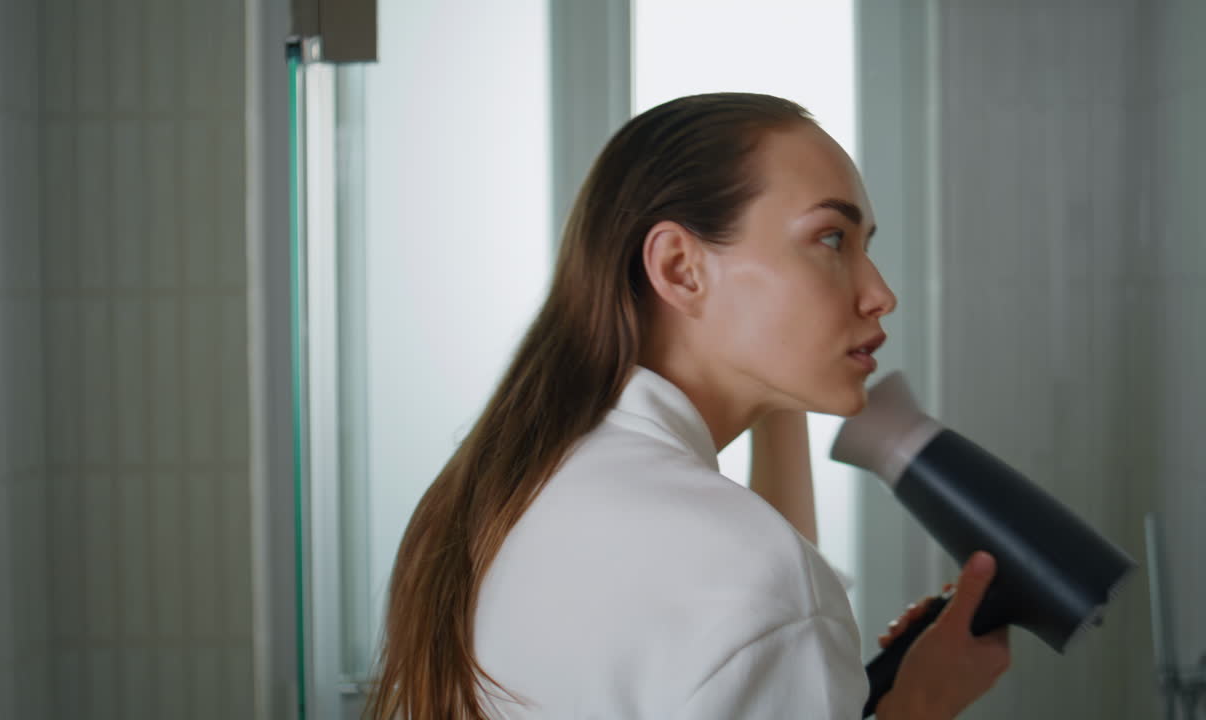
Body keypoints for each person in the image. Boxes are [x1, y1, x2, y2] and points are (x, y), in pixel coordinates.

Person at [365, 92, 1011, 719]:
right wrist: (918, 707)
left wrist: (776, 392)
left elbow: (755, 578)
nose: (881, 293)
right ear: (679, 268)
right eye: (833, 240)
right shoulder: (753, 579)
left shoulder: (506, 489)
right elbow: (763, 589)